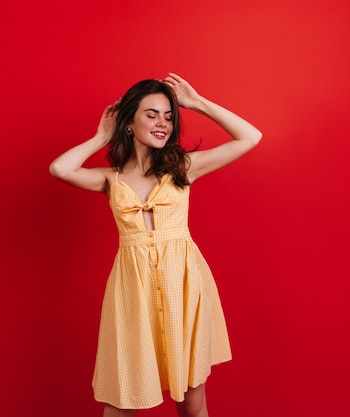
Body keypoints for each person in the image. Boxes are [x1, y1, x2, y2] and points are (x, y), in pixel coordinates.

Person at [50, 73, 262, 417]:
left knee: (192, 406)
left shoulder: (183, 168)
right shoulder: (110, 178)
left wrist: (196, 103)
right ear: (129, 121)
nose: (162, 123)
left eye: (168, 116)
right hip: (133, 291)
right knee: (122, 402)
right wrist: (99, 137)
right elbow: (59, 168)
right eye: (151, 114)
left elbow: (250, 137)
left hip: (183, 285)